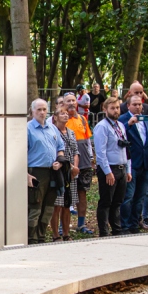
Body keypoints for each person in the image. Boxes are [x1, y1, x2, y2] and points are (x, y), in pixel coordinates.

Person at [26, 98, 64, 244]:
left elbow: (60, 148)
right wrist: (26, 174)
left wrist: (59, 161)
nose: (42, 113)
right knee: (35, 207)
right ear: (32, 111)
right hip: (36, 172)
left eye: (44, 109)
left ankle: (41, 236)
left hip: (52, 172)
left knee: (48, 207)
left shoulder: (52, 128)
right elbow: (20, 153)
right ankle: (31, 238)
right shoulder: (28, 129)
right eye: (39, 110)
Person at [93, 97, 132, 237]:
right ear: (105, 110)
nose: (116, 110)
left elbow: (126, 148)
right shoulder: (102, 127)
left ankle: (117, 229)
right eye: (112, 108)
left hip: (122, 168)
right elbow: (101, 153)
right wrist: (108, 172)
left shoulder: (120, 125)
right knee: (106, 202)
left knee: (118, 202)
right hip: (109, 169)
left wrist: (128, 169)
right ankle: (104, 231)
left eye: (117, 107)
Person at [118, 94, 148, 234]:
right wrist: (129, 124)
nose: (138, 107)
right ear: (128, 106)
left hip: (145, 164)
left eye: (140, 104)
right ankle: (125, 225)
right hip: (131, 163)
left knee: (140, 196)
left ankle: (135, 223)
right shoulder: (123, 120)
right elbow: (120, 139)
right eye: (135, 104)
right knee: (128, 196)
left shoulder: (145, 120)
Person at [63, 92, 94, 234]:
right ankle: (63, 226)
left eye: (73, 100)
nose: (71, 103)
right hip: (67, 161)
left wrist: (92, 156)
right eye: (68, 100)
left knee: (82, 193)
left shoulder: (82, 119)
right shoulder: (59, 120)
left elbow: (87, 140)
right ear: (63, 103)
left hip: (84, 162)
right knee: (65, 194)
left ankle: (81, 224)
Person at [49, 109, 78, 241]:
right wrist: (67, 166)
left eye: (66, 113)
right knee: (57, 204)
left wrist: (75, 167)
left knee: (67, 203)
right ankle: (55, 235)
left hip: (71, 173)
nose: (65, 115)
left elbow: (75, 151)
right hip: (59, 171)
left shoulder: (71, 132)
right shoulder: (52, 132)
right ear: (55, 117)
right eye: (62, 113)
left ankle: (66, 233)